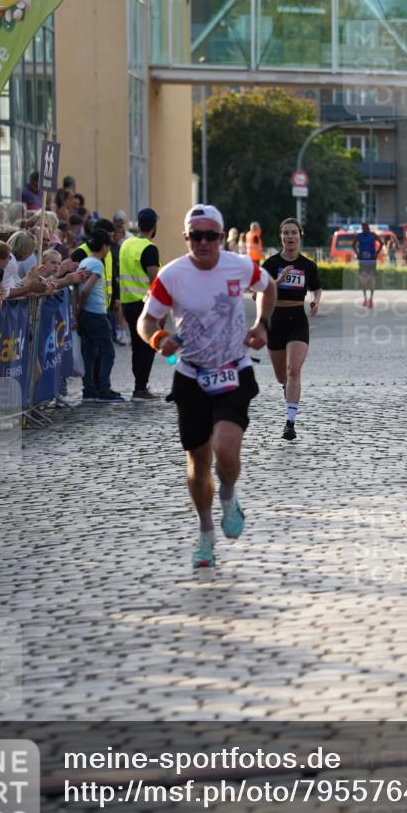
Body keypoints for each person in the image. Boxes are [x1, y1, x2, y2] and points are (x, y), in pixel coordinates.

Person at [137, 203, 276, 569]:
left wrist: (261, 325)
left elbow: (268, 286)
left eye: (210, 236)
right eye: (195, 236)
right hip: (191, 375)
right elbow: (146, 321)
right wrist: (158, 339)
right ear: (186, 238)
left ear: (221, 236)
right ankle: (205, 532)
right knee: (198, 462)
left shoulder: (239, 266)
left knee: (227, 452)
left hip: (234, 369)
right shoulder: (171, 276)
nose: (203, 243)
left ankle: (228, 496)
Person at [261, 218, 321, 440]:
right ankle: (286, 387)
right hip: (275, 320)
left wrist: (316, 301)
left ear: (300, 235)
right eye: (285, 233)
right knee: (281, 377)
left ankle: (290, 423)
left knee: (294, 369)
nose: (289, 236)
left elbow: (316, 288)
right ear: (280, 236)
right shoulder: (270, 264)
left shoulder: (307, 265)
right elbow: (258, 292)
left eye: (293, 232)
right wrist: (278, 281)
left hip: (297, 319)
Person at [76, 228, 123, 403]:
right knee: (107, 351)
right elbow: (86, 289)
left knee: (89, 351)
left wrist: (78, 310)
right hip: (96, 312)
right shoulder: (97, 264)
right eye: (108, 247)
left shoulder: (84, 262)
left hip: (86, 314)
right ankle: (104, 388)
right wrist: (80, 306)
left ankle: (89, 389)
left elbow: (77, 287)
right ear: (104, 246)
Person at [119, 207, 161, 400]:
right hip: (145, 304)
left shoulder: (126, 244)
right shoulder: (149, 248)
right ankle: (140, 388)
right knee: (149, 346)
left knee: (137, 346)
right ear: (154, 226)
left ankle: (139, 386)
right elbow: (154, 278)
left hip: (128, 303)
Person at [352, 222, 383, 307]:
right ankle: (365, 299)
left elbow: (381, 243)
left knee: (372, 280)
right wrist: (357, 253)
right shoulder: (359, 236)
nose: (364, 229)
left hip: (371, 261)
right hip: (362, 261)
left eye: (365, 227)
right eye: (363, 228)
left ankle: (371, 299)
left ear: (368, 227)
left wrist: (377, 253)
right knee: (363, 281)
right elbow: (353, 245)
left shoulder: (373, 235)